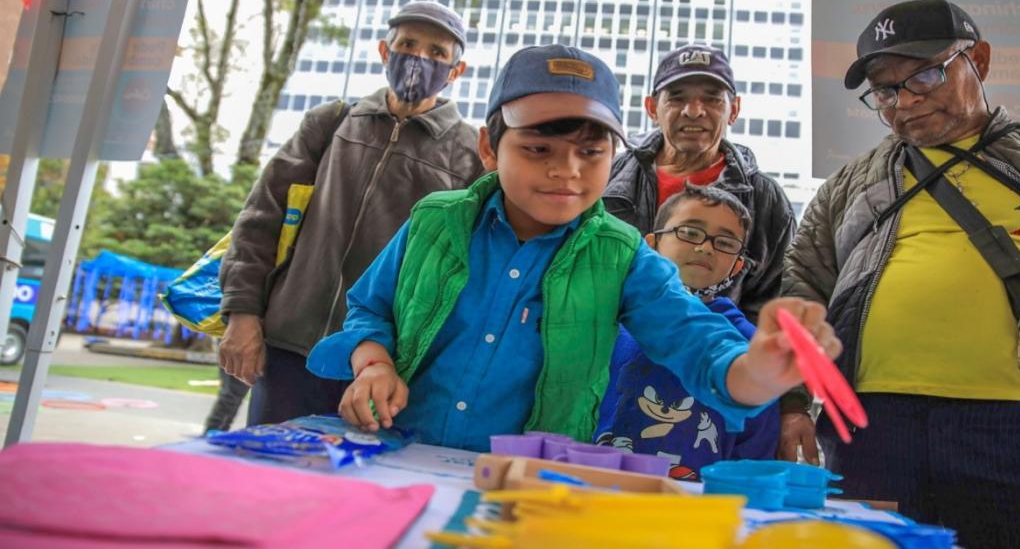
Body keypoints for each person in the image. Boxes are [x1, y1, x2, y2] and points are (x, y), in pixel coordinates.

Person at [305, 44, 840, 454]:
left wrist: (760, 371)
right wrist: (372, 362)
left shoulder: (624, 255)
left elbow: (696, 342)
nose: (568, 171)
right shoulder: (435, 221)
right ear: (490, 147)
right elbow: (370, 307)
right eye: (538, 149)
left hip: (524, 481)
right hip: (392, 451)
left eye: (591, 151)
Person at [781, 0, 1020, 546]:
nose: (906, 100)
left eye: (926, 73)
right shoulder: (849, 184)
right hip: (871, 424)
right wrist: (790, 407)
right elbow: (801, 291)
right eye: (885, 90)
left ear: (979, 59)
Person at [218, 2, 486, 425]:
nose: (419, 58)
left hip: (386, 364)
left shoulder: (472, 154)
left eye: (437, 53)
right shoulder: (330, 123)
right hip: (290, 348)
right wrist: (243, 313)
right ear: (384, 51)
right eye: (408, 44)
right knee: (267, 479)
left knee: (356, 485)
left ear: (456, 70)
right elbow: (260, 222)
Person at [594, 185, 779, 480]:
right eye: (690, 233)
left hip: (695, 508)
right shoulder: (606, 320)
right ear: (651, 243)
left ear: (738, 265)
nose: (706, 247)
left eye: (725, 243)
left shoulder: (750, 347)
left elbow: (755, 447)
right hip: (590, 488)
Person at [603, 44, 795, 320]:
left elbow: (775, 301)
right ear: (652, 108)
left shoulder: (764, 199)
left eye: (712, 99)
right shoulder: (612, 175)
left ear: (734, 109)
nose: (693, 111)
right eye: (677, 98)